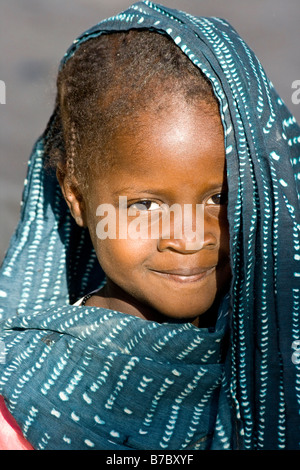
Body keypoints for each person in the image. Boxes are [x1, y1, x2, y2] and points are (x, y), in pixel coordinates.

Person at [0, 1, 299, 451]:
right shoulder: (19, 394)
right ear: (77, 198)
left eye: (219, 197)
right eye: (145, 204)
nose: (188, 238)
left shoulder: (274, 368)